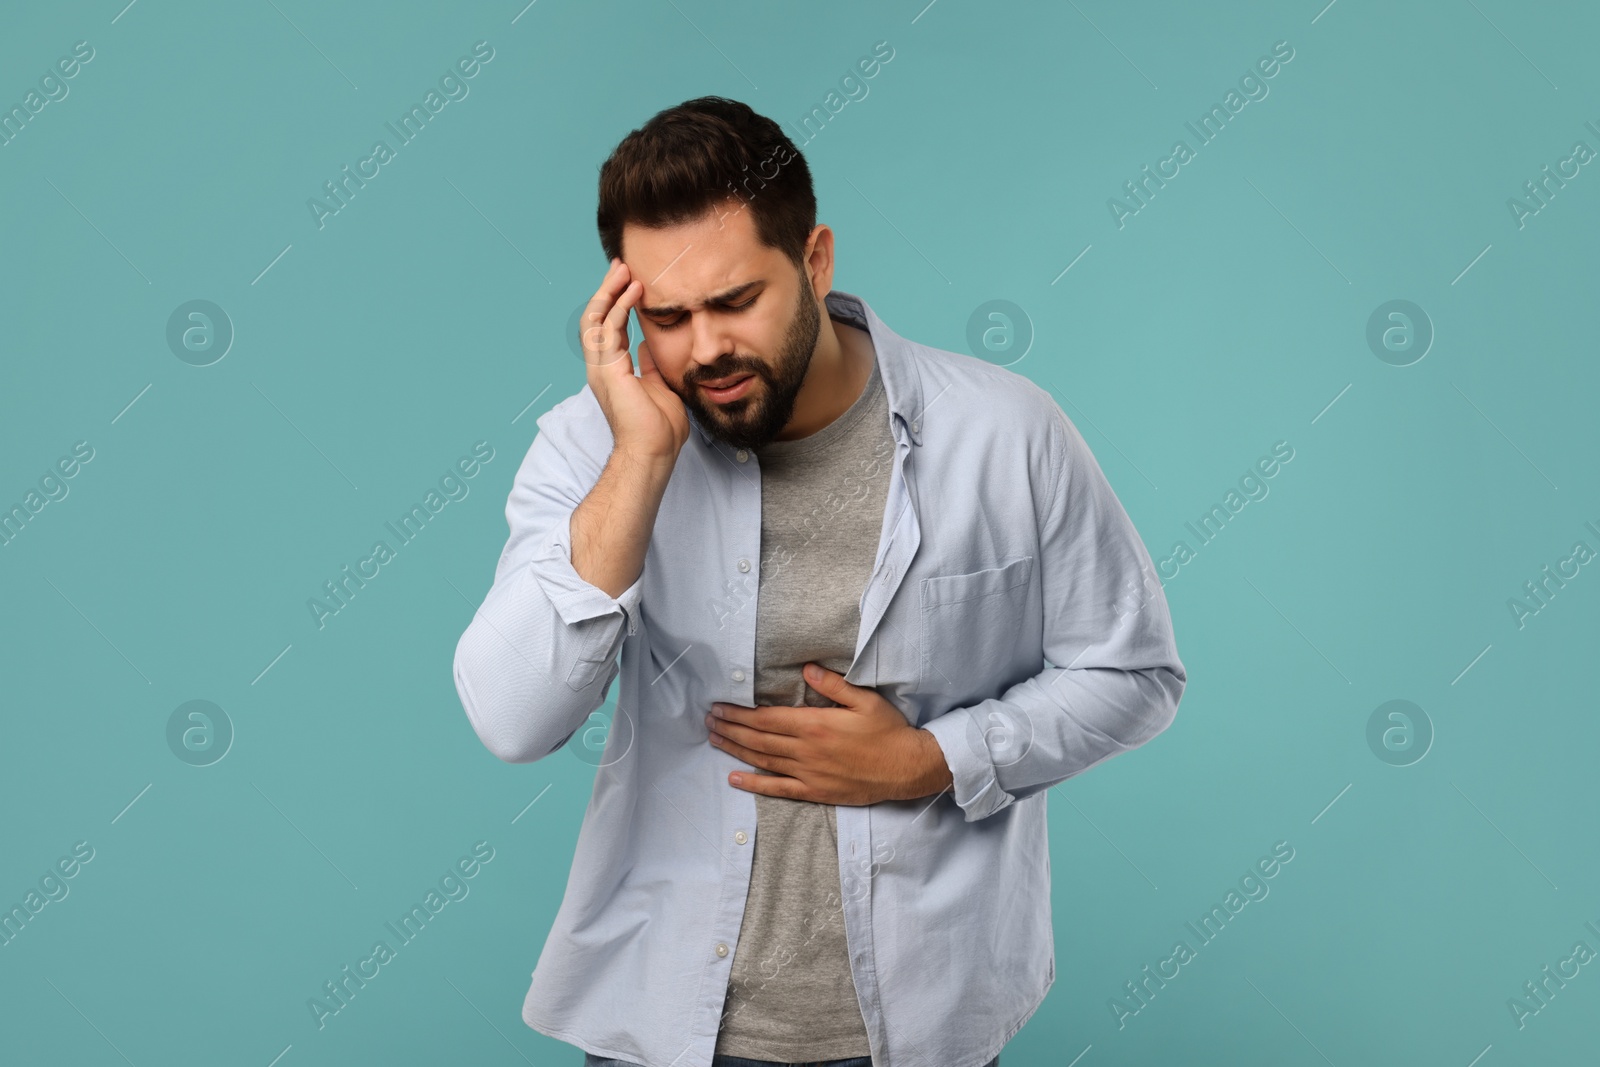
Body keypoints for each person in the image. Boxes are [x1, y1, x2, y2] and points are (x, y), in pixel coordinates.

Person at [451, 96, 1186, 1067]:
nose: (703, 346)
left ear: (814, 260)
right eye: (666, 317)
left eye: (734, 300)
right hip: (666, 1023)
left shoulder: (1004, 432)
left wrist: (934, 757)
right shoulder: (593, 448)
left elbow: (1134, 674)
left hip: (918, 1024)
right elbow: (512, 716)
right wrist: (636, 463)